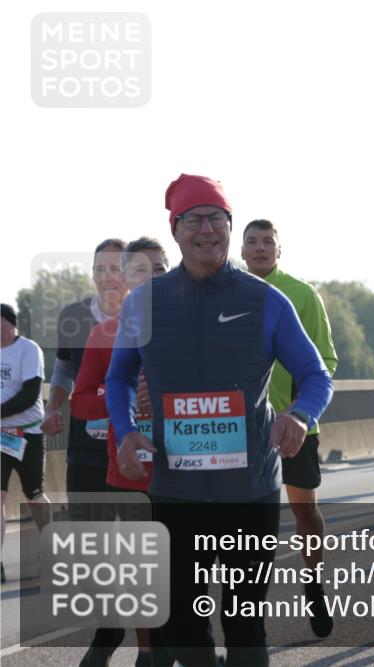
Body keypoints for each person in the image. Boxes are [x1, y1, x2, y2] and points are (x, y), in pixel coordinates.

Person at [106, 174, 333, 666]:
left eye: (216, 219)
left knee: (244, 622)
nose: (206, 230)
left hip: (248, 491)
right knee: (180, 625)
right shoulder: (144, 302)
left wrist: (300, 414)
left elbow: (317, 375)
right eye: (193, 220)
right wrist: (125, 432)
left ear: (230, 226)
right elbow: (120, 376)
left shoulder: (266, 300)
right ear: (175, 229)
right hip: (176, 491)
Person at [70, 238, 170, 667]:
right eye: (142, 271)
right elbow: (80, 402)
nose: (153, 279)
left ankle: (190, 649)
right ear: (127, 279)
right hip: (129, 469)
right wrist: (124, 399)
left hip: (185, 469)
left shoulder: (195, 326)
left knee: (184, 573)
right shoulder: (105, 333)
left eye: (160, 270)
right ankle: (147, 654)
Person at [241, 218, 339, 638]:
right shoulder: (228, 294)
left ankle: (314, 582)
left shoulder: (301, 294)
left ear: (279, 250)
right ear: (241, 251)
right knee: (248, 522)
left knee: (303, 510)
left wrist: (301, 412)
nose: (260, 248)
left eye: (268, 242)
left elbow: (326, 361)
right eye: (252, 242)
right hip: (244, 430)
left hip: (295, 426)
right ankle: (248, 610)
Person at [39, 238, 128, 662]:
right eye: (100, 269)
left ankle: (173, 642)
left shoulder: (147, 317)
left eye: (116, 269)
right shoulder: (73, 316)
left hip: (135, 450)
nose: (108, 277)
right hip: (87, 447)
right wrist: (54, 405)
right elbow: (64, 369)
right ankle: (109, 630)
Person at [1, 304, 52, 586]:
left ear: (10, 324)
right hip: (0, 436)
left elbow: (30, 394)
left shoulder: (29, 349)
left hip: (28, 434)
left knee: (35, 495)